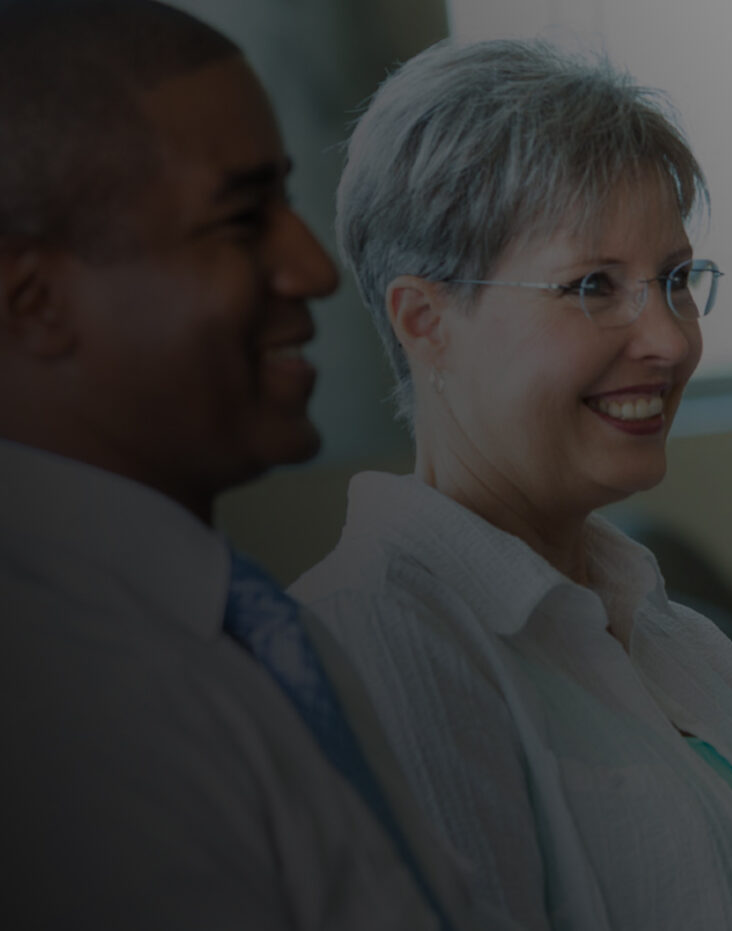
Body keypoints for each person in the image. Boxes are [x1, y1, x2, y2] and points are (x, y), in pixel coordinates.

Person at [292, 38, 732, 930]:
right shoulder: (377, 640)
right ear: (425, 322)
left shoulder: (665, 629)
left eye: (676, 280)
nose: (672, 339)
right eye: (594, 286)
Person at [0, 1, 485, 927]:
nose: (311, 268)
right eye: (240, 221)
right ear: (34, 301)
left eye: (288, 205)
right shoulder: (57, 708)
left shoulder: (240, 622)